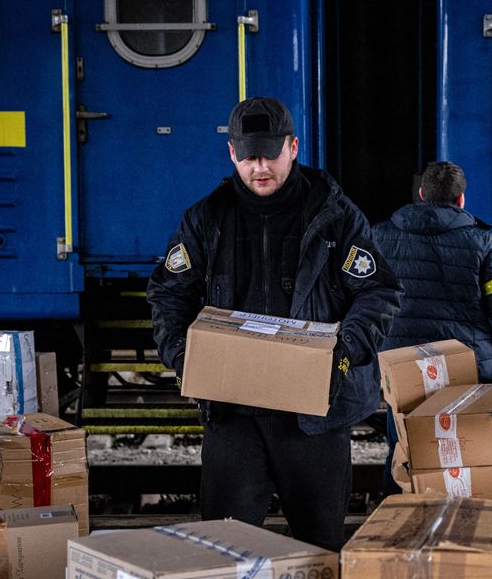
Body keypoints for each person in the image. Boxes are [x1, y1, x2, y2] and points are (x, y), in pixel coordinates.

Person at [147, 96, 401, 551]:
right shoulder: (206, 219)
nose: (258, 166)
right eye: (247, 155)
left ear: (293, 146)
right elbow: (169, 293)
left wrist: (342, 356)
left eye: (269, 153)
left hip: (314, 418)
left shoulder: (335, 217)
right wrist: (185, 358)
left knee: (319, 549)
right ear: (232, 154)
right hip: (233, 414)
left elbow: (378, 293)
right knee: (221, 549)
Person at [372, 161, 492, 494]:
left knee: (403, 450)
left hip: (403, 368)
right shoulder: (481, 242)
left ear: (422, 194)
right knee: (466, 453)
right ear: (461, 200)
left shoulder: (382, 235)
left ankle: (390, 522)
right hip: (466, 367)